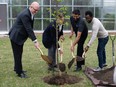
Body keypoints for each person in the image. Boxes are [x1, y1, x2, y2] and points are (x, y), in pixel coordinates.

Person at [9, 1, 40, 78]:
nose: (36, 12)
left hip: (20, 36)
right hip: (16, 36)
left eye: (37, 10)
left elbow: (29, 28)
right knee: (17, 54)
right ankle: (19, 73)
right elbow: (28, 29)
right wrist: (35, 41)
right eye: (35, 10)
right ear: (31, 6)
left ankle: (17, 68)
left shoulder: (30, 13)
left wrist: (32, 37)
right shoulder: (25, 15)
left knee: (19, 53)